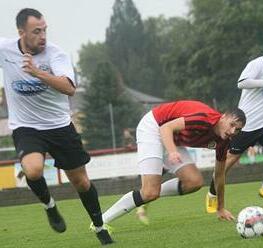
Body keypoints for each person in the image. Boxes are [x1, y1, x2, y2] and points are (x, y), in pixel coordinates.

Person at [0, 8, 113, 245]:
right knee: (32, 170)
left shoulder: (56, 54)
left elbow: (69, 88)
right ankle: (49, 206)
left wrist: (36, 72)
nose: (43, 36)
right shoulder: (5, 49)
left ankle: (100, 226)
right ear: (21, 32)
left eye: (45, 30)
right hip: (26, 126)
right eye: (36, 31)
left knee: (81, 182)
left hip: (59, 126)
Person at [98, 100, 245, 229]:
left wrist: (221, 208)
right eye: (232, 125)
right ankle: (99, 222)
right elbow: (165, 128)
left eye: (237, 129)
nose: (233, 131)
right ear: (223, 116)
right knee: (149, 192)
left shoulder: (224, 142)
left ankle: (149, 194)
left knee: (194, 182)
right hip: (154, 126)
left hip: (172, 139)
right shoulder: (203, 119)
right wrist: (172, 151)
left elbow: (219, 175)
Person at [206, 33, 263, 213]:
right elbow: (241, 83)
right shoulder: (257, 64)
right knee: (228, 163)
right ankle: (212, 193)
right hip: (246, 123)